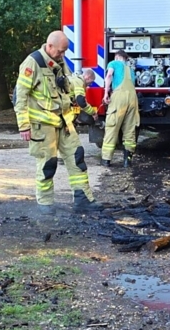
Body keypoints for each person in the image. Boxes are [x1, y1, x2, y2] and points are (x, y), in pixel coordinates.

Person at [14, 31, 101, 214]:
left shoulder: (59, 63)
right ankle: (45, 204)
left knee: (76, 156)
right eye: (60, 51)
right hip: (43, 125)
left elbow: (66, 88)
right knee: (48, 164)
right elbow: (20, 96)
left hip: (64, 122)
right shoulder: (33, 63)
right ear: (50, 46)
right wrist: (23, 125)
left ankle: (83, 199)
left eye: (64, 52)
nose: (62, 55)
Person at [101, 50, 139, 167]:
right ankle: (128, 160)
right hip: (133, 98)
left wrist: (106, 92)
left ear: (117, 57)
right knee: (130, 128)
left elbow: (109, 75)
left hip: (119, 96)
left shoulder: (113, 63)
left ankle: (106, 159)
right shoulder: (131, 70)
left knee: (112, 126)